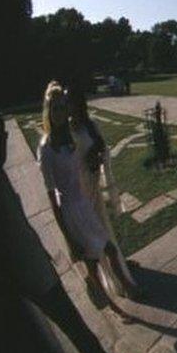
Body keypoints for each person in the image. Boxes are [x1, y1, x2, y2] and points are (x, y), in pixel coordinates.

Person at [37, 81, 132, 322]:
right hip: (71, 211)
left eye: (62, 107)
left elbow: (92, 141)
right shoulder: (46, 148)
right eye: (55, 109)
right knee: (92, 263)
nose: (60, 113)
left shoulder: (69, 138)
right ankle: (115, 310)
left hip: (85, 205)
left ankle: (127, 289)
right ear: (48, 112)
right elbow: (52, 198)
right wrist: (68, 238)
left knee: (109, 249)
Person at [66, 88, 140, 298]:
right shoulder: (65, 131)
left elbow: (100, 145)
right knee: (93, 236)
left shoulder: (90, 126)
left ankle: (120, 270)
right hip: (78, 191)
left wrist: (95, 156)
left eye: (71, 102)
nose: (68, 107)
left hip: (93, 185)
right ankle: (110, 280)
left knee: (104, 227)